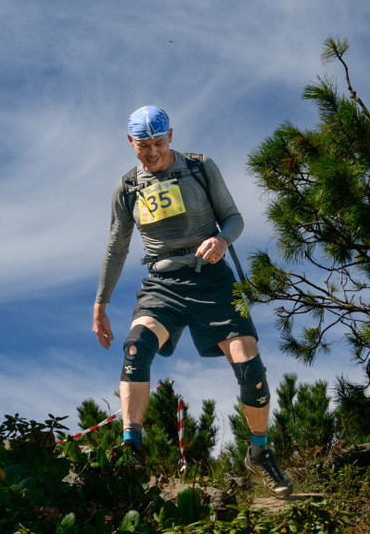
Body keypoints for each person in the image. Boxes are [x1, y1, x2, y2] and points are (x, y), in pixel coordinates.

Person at [93, 105, 295, 498]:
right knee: (136, 347)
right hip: (163, 282)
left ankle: (259, 453)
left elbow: (234, 218)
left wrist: (221, 240)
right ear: (130, 142)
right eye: (144, 145)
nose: (152, 152)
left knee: (249, 364)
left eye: (159, 142)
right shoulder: (128, 188)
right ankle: (132, 451)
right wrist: (101, 305)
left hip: (212, 279)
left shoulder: (200, 167)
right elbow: (116, 248)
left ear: (170, 136)